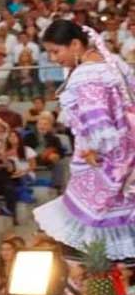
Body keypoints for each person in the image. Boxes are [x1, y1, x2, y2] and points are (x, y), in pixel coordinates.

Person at [33, 20, 135, 261]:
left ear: (75, 44)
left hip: (106, 153)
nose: (54, 58)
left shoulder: (86, 74)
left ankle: (102, 259)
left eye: (56, 51)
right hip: (127, 146)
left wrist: (93, 148)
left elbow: (96, 117)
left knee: (95, 209)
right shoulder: (112, 61)